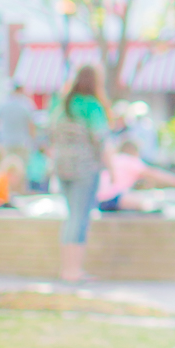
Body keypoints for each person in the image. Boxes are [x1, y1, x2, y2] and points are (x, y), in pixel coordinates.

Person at [49, 64, 114, 281]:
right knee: (80, 218)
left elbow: (51, 133)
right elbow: (101, 140)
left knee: (71, 217)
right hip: (85, 168)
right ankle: (73, 271)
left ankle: (66, 268)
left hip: (62, 166)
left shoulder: (63, 104)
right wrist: (112, 169)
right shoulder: (93, 106)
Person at [96, 140, 175, 211]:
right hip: (113, 197)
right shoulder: (132, 162)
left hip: (96, 200)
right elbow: (154, 174)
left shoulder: (116, 159)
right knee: (147, 204)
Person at [0, 84, 36, 161]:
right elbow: (31, 124)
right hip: (22, 142)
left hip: (6, 141)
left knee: (6, 168)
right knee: (21, 167)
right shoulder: (26, 104)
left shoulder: (3, 103)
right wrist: (32, 140)